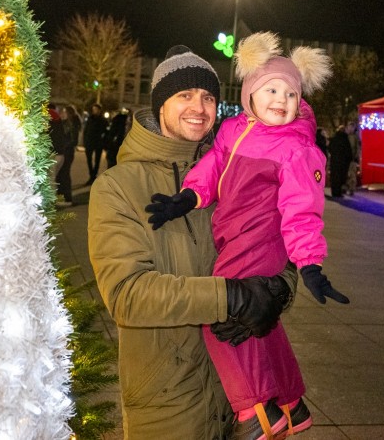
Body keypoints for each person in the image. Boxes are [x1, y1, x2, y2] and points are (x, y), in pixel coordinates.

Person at [88, 45, 299, 440]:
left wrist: (276, 291)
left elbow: (280, 244)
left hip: (244, 399)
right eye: (184, 95)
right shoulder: (118, 186)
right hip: (169, 400)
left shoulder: (237, 169)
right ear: (160, 105)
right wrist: (231, 298)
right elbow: (127, 294)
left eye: (208, 97)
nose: (199, 108)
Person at [148, 32, 349, 439]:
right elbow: (214, 164)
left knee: (218, 313)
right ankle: (290, 401)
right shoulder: (234, 129)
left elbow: (302, 211)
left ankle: (255, 412)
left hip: (258, 241)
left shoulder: (296, 148)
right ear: (250, 94)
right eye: (271, 90)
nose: (281, 100)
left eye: (291, 94)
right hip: (236, 236)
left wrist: (310, 264)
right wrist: (189, 196)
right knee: (259, 323)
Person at [54, 104, 81, 207]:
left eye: (64, 112)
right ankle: (61, 197)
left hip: (67, 152)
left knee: (64, 174)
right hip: (63, 151)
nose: (62, 113)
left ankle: (67, 198)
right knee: (61, 175)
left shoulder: (72, 124)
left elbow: (73, 140)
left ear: (69, 113)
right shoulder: (64, 123)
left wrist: (63, 146)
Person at [328, 121, 358, 198]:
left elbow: (330, 148)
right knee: (342, 176)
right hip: (343, 162)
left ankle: (335, 192)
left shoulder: (334, 138)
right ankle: (340, 191)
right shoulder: (345, 138)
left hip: (335, 160)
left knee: (335, 177)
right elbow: (348, 150)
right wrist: (350, 158)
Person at [83, 103, 108, 184]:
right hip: (89, 142)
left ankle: (94, 175)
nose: (94, 111)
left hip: (98, 143)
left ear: (100, 110)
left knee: (97, 160)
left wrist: (103, 142)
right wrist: (85, 141)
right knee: (89, 160)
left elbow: (106, 132)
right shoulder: (90, 118)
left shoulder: (103, 120)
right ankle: (92, 175)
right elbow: (86, 130)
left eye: (96, 109)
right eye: (93, 109)